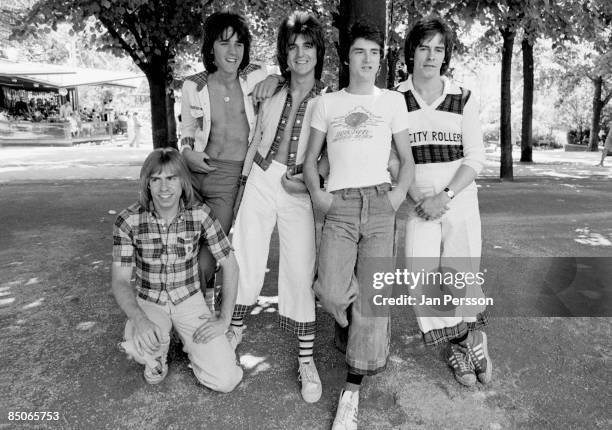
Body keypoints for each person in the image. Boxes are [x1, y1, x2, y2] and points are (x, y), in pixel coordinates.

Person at [304, 21, 414, 430]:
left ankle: (352, 390)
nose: (366, 60)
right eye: (358, 52)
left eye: (373, 53)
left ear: (380, 60)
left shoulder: (393, 102)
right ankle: (355, 328)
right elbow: (311, 160)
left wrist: (398, 195)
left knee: (373, 299)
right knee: (332, 289)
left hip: (381, 203)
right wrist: (319, 195)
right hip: (342, 205)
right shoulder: (326, 104)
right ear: (346, 57)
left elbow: (406, 157)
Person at [228, 11, 328, 403]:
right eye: (292, 46)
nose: (300, 53)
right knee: (245, 253)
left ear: (318, 52)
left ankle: (306, 359)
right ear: (284, 54)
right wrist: (270, 77)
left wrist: (309, 177)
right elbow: (235, 68)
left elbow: (331, 155)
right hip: (261, 175)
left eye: (307, 45)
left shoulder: (330, 99)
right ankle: (232, 330)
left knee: (300, 266)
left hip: (298, 186)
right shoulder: (268, 87)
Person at [396, 16, 492, 388]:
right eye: (424, 47)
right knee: (420, 279)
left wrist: (445, 196)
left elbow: (475, 158)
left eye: (439, 48)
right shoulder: (396, 98)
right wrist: (416, 195)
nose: (431, 56)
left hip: (458, 201)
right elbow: (392, 157)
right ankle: (465, 340)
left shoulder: (463, 97)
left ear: (446, 55)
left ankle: (466, 344)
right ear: (412, 53)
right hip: (419, 201)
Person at [112, 148, 243, 391]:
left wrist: (224, 320)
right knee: (136, 341)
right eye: (156, 179)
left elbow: (230, 266)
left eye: (171, 178)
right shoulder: (128, 220)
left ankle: (210, 346)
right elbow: (120, 281)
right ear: (147, 184)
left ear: (183, 182)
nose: (164, 188)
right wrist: (139, 319)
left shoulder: (201, 214)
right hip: (150, 301)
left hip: (189, 302)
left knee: (227, 380)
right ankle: (157, 353)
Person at [180, 12, 280, 309]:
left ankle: (190, 319)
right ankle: (187, 310)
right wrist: (187, 153)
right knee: (181, 247)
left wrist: (275, 77)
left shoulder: (256, 76)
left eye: (239, 44)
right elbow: (187, 129)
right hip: (194, 172)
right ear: (211, 48)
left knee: (210, 253)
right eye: (225, 43)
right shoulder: (192, 85)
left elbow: (287, 79)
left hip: (228, 178)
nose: (233, 51)